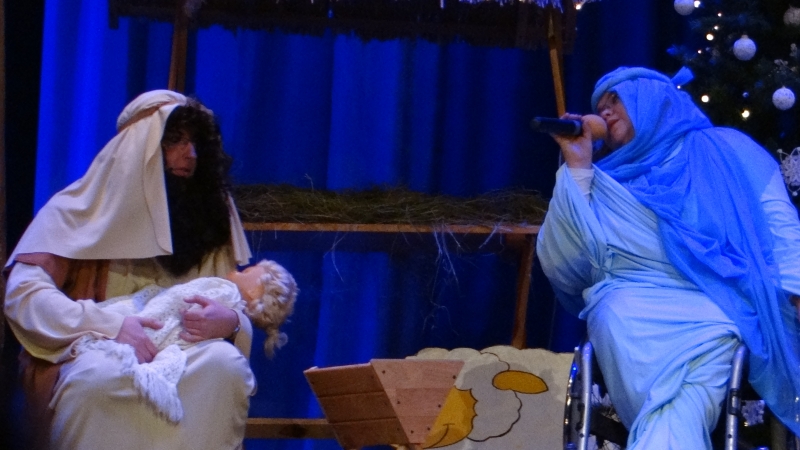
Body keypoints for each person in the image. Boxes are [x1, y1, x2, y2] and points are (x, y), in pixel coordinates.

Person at [537, 67, 800, 449]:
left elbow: (779, 224)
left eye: (616, 99)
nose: (605, 111)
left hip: (715, 304)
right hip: (626, 302)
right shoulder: (603, 180)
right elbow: (565, 264)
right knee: (618, 317)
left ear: (653, 99)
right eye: (600, 105)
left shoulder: (725, 147)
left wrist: (795, 287)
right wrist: (578, 166)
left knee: (688, 391)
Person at [3, 90, 257, 450]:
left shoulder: (206, 220)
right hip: (96, 350)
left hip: (184, 351)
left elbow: (229, 301)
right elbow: (24, 296)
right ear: (141, 148)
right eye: (175, 141)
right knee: (99, 379)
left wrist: (230, 322)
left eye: (195, 143)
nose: (190, 154)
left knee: (223, 365)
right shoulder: (78, 211)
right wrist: (109, 326)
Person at [75, 258, 298, 423]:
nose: (237, 269)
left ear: (254, 291)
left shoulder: (225, 291)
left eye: (247, 271)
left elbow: (178, 302)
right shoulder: (224, 293)